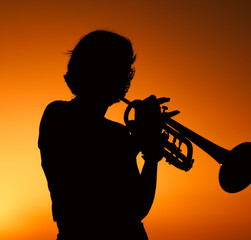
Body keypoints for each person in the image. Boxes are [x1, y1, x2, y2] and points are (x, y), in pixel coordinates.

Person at [38, 30, 164, 240]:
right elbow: (89, 168)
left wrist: (151, 157)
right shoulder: (58, 114)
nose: (125, 75)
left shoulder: (119, 133)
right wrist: (142, 142)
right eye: (120, 68)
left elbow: (138, 207)